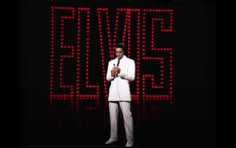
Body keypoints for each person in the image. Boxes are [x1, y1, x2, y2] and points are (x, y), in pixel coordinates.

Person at [105, 43, 135, 147]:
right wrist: (112, 74)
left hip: (124, 92)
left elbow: (132, 77)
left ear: (124, 51)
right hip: (113, 92)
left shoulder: (130, 62)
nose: (118, 54)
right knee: (112, 118)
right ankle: (113, 137)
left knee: (127, 117)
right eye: (116, 52)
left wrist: (120, 72)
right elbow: (107, 78)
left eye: (120, 52)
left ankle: (130, 140)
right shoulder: (111, 62)